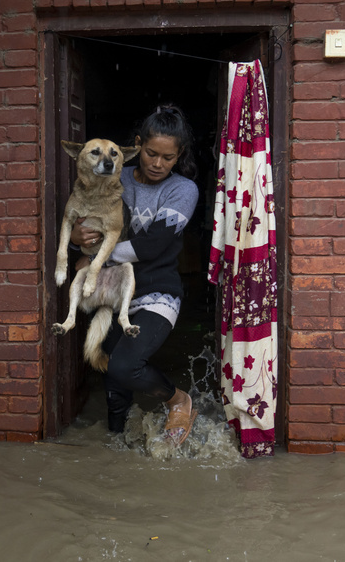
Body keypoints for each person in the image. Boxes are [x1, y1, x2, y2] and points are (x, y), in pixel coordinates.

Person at [69, 104, 200, 445]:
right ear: (137, 145)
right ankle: (117, 457)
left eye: (168, 158)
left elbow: (152, 245)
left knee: (125, 366)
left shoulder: (183, 190)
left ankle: (178, 400)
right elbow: (83, 214)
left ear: (179, 155)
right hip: (112, 292)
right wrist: (74, 238)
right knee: (114, 389)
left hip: (157, 292)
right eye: (151, 153)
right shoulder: (115, 176)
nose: (158, 164)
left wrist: (98, 258)